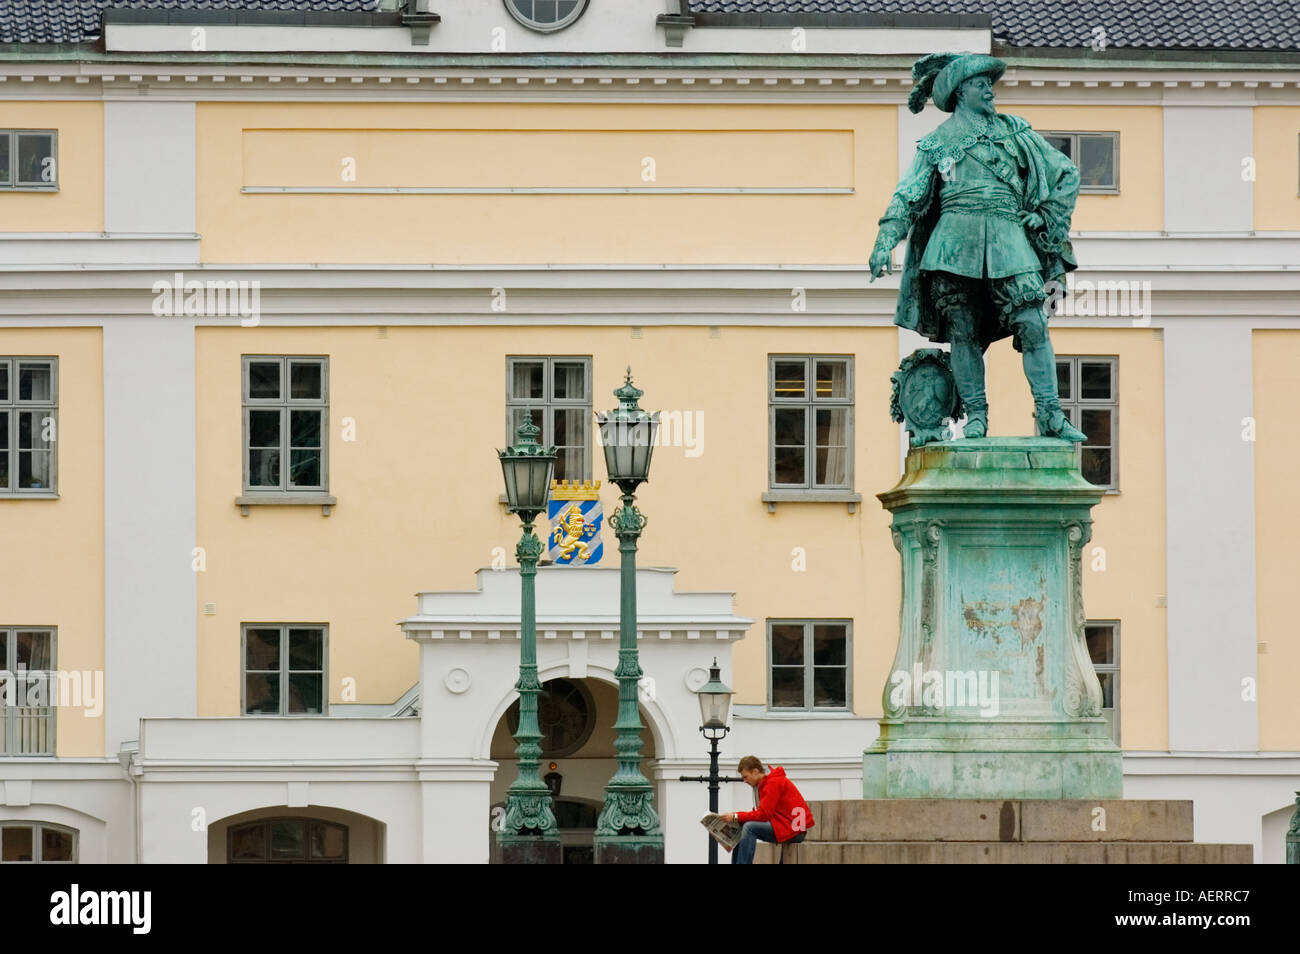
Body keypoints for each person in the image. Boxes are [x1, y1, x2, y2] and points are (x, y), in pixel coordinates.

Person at [869, 51, 1086, 443]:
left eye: (990, 84)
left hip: (1008, 236)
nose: (990, 90)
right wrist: (886, 239)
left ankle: (1052, 415)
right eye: (981, 84)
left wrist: (1046, 213)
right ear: (960, 92)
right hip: (953, 241)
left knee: (1033, 322)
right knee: (963, 331)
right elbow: (909, 195)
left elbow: (1067, 173)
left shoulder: (1015, 133)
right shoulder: (937, 144)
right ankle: (977, 417)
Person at [723, 756, 814, 864]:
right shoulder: (761, 784)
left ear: (755, 772)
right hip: (784, 825)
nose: (744, 781)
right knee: (742, 825)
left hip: (795, 829)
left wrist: (736, 816)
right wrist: (737, 819)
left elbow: (763, 815)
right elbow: (760, 812)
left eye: (745, 777)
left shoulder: (772, 783)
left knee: (749, 827)